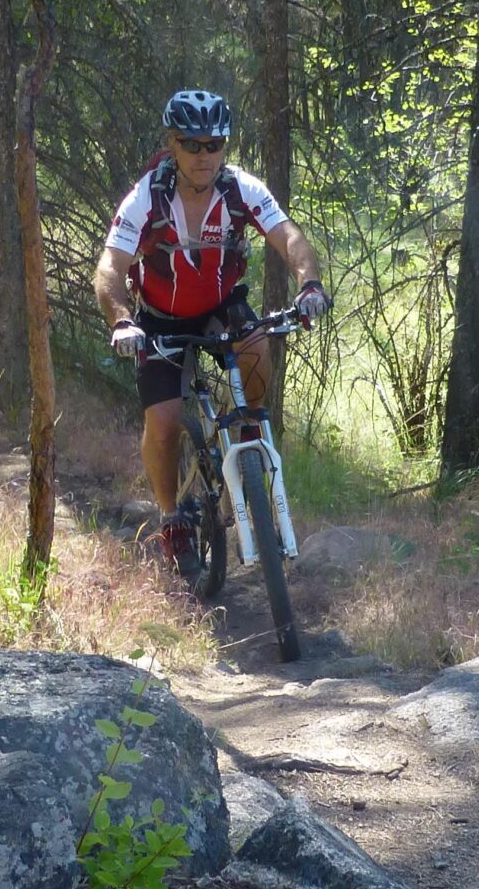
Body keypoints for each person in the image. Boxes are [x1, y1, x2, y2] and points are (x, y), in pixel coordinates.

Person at [94, 89, 328, 572]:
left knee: (258, 348)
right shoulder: (147, 196)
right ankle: (171, 517)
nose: (205, 155)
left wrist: (310, 285)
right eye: (193, 144)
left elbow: (289, 236)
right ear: (173, 144)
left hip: (221, 305)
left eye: (215, 144)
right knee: (162, 422)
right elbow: (110, 266)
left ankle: (240, 451)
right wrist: (121, 321)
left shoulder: (241, 188)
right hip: (160, 317)